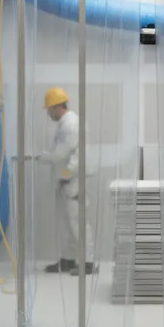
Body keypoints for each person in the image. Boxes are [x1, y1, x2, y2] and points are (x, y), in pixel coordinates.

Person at [39, 88, 95, 276]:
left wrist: (41, 157)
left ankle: (87, 262)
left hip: (73, 181)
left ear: (56, 107)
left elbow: (60, 155)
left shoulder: (70, 125)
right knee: (66, 223)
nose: (48, 113)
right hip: (66, 181)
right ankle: (68, 260)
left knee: (77, 222)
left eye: (49, 109)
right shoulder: (66, 124)